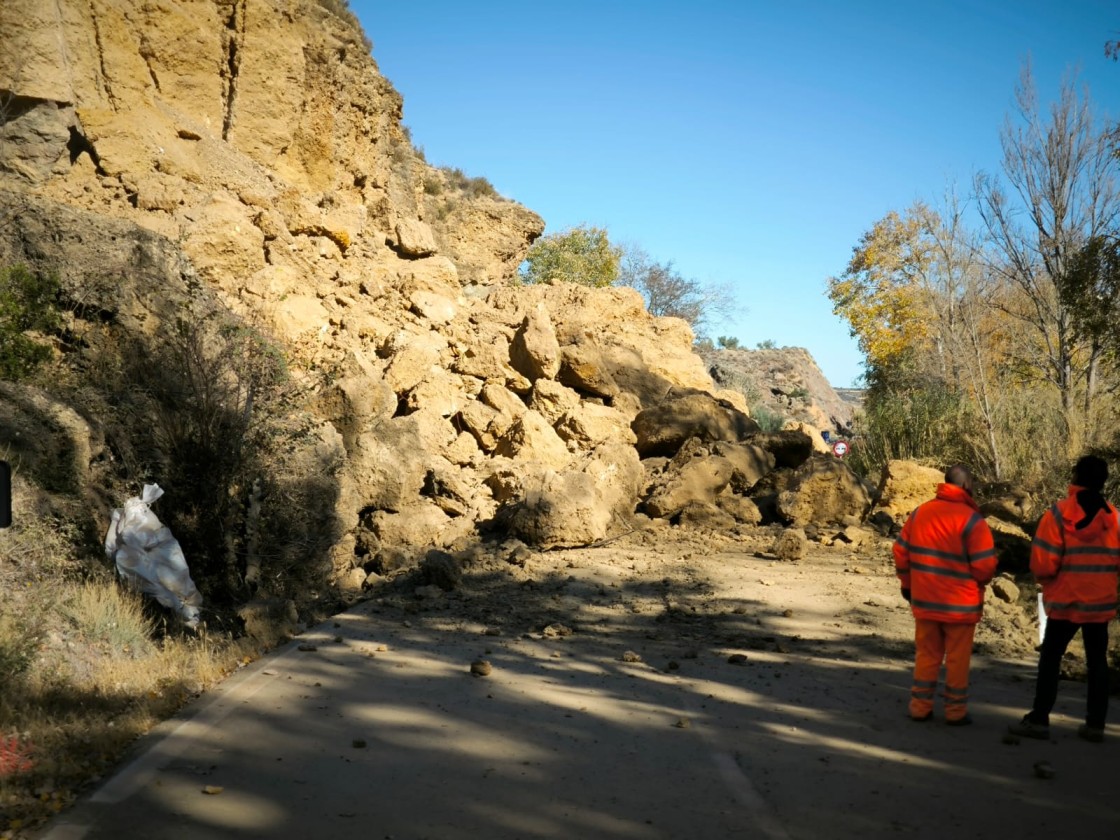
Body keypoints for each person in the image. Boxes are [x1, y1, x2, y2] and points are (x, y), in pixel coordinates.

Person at [1008, 455, 1120, 743]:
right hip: (1100, 604)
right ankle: (1095, 725)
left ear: (1075, 477)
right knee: (1097, 662)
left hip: (1065, 601)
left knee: (1050, 657)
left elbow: (1043, 564)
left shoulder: (1058, 514)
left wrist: (1048, 582)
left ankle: (1039, 719)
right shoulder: (1115, 518)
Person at [893, 464, 998, 725]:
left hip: (925, 601)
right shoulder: (973, 521)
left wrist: (907, 585)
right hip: (960, 606)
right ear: (965, 486)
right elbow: (984, 568)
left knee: (927, 655)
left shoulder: (920, 513)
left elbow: (901, 552)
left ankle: (920, 708)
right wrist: (979, 583)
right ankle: (955, 712)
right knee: (957, 659)